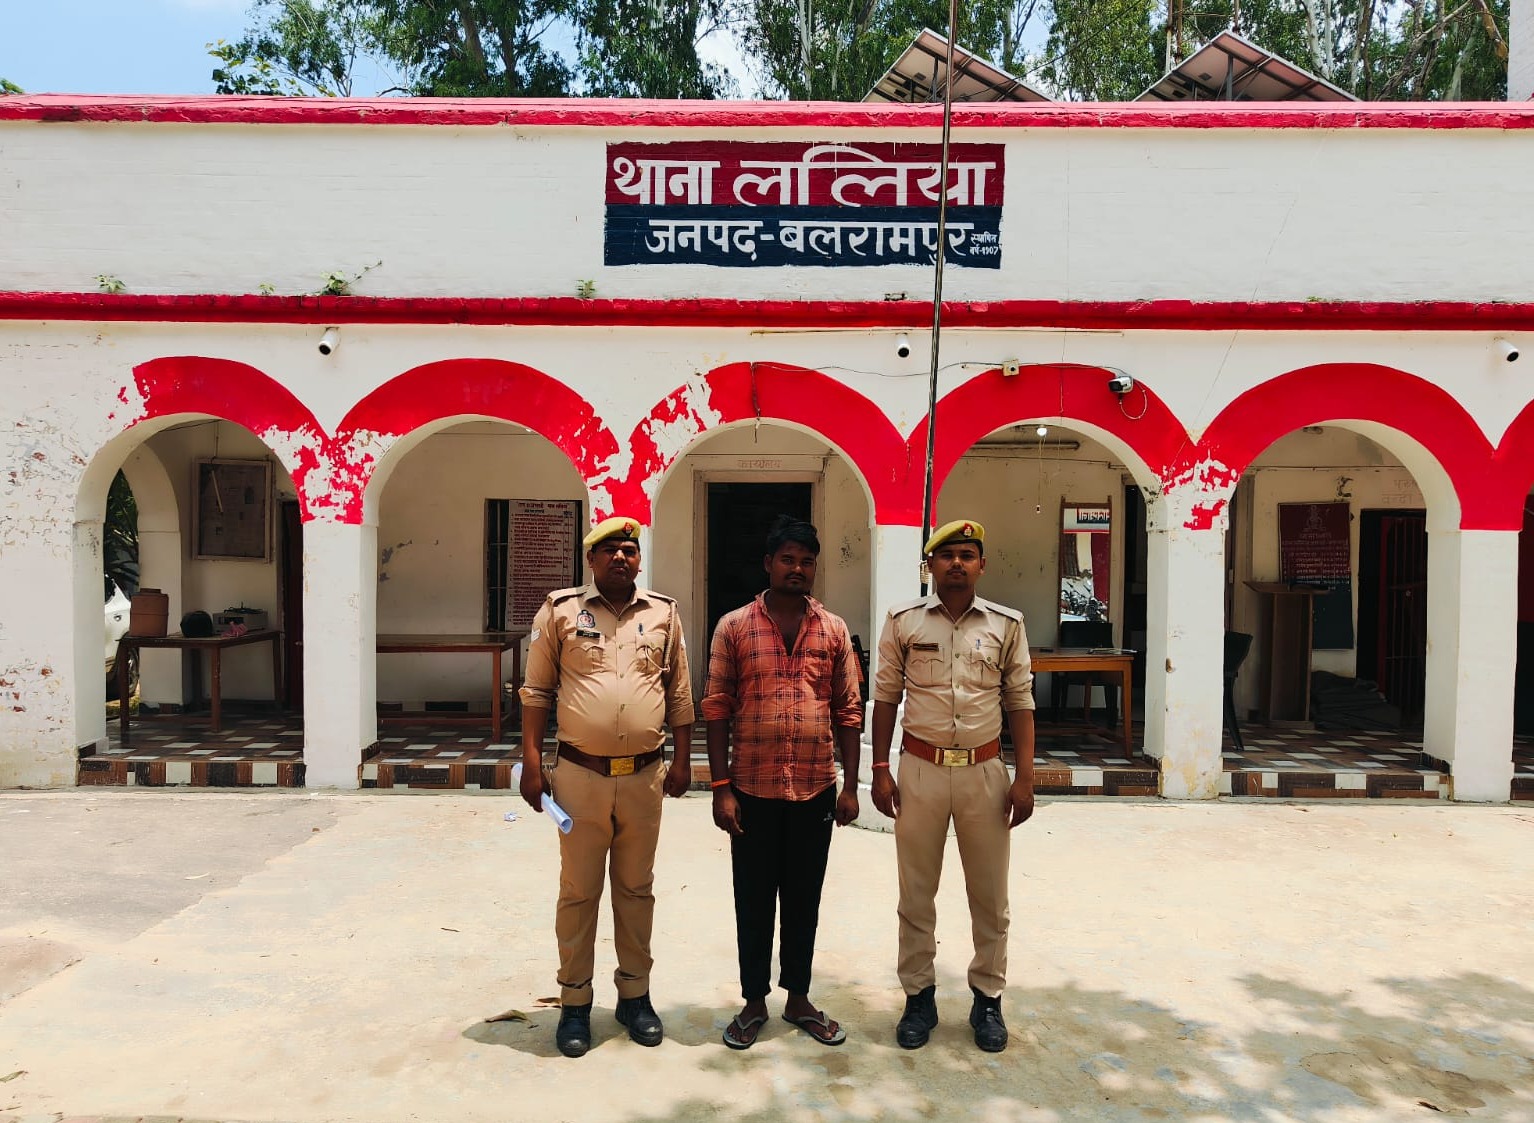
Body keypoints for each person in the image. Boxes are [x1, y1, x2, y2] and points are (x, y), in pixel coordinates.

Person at [519, 515, 695, 1059]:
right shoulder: (560, 611)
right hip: (579, 776)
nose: (621, 557)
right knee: (579, 891)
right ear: (591, 559)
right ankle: (575, 1002)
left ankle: (635, 996)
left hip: (644, 776)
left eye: (629, 550)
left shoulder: (664, 613)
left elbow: (679, 690)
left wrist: (683, 759)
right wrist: (531, 762)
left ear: (639, 560)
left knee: (636, 889)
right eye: (610, 549)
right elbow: (536, 692)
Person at [868, 519, 1036, 1054]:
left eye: (967, 555)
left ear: (981, 565)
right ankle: (919, 997)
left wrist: (1025, 777)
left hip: (985, 774)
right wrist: (879, 767)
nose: (957, 563)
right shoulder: (903, 621)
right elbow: (886, 697)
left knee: (990, 896)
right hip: (920, 770)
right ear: (930, 566)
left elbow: (1020, 700)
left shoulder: (1006, 625)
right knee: (916, 893)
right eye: (947, 556)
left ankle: (988, 998)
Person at [702, 515, 863, 1051]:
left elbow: (848, 709)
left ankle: (798, 999)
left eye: (806, 561)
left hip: (815, 788)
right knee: (752, 899)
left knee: (803, 899)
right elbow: (716, 706)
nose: (797, 569)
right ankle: (753, 1002)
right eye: (788, 559)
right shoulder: (734, 627)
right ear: (768, 564)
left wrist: (851, 785)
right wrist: (721, 787)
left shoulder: (833, 630)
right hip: (751, 788)